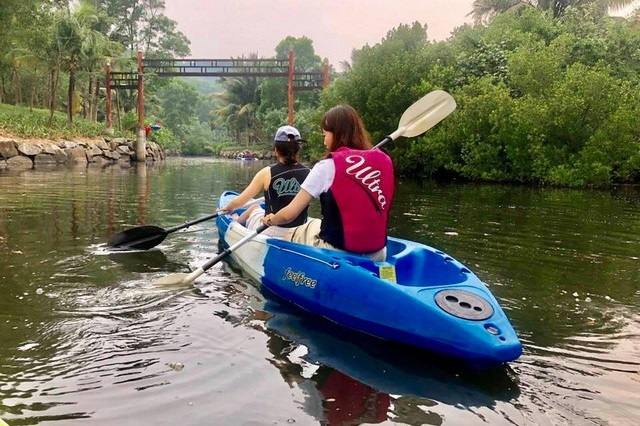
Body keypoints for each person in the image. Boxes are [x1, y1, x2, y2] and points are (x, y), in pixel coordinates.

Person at [261, 105, 395, 261]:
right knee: (316, 223)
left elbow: (289, 214)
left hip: (338, 251)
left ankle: (284, 273)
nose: (324, 140)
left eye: (325, 134)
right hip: (378, 252)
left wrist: (271, 219)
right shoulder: (385, 161)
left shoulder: (327, 166)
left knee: (292, 234)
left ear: (337, 134)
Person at [219, 125, 310, 238]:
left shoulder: (267, 173)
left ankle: (236, 223)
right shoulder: (310, 173)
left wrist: (228, 208)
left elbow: (240, 201)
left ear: (276, 150)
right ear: (298, 150)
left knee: (253, 208)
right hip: (300, 232)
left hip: (270, 229)